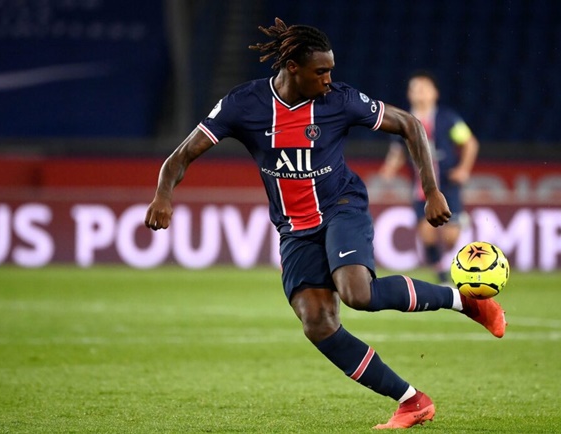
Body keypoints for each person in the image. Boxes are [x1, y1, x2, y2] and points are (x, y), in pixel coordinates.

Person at [145, 18, 505, 430]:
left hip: (341, 206)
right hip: (294, 228)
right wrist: (163, 194)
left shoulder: (340, 101)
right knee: (317, 323)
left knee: (357, 293)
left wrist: (431, 190)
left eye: (331, 70)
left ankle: (466, 302)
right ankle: (412, 401)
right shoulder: (243, 104)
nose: (329, 79)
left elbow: (409, 125)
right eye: (321, 71)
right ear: (292, 68)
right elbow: (181, 155)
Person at [379, 71, 479, 284]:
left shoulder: (447, 118)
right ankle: (442, 273)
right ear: (409, 94)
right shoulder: (403, 121)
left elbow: (470, 143)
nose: (420, 93)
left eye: (424, 88)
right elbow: (397, 151)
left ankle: (454, 237)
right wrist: (389, 169)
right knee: (427, 234)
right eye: (416, 89)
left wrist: (463, 169)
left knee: (451, 236)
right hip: (421, 186)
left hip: (448, 184)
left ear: (435, 93)